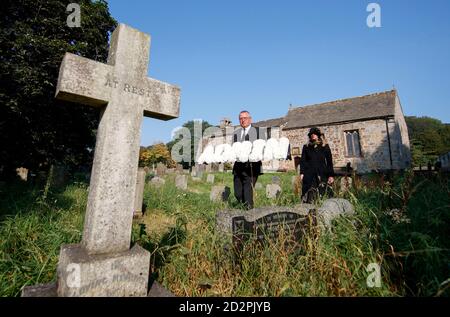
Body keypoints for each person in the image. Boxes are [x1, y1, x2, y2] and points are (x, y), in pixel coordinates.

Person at [232, 110, 262, 209]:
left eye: (245, 118)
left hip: (251, 167)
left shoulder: (258, 131)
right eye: (240, 118)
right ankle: (243, 207)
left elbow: (262, 146)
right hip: (238, 167)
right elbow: (233, 148)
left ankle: (249, 216)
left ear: (250, 119)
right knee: (238, 193)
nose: (242, 120)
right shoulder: (236, 133)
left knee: (248, 192)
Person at [299, 127, 334, 203]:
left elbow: (329, 161)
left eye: (314, 133)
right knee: (309, 193)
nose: (313, 135)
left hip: (322, 173)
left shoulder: (324, 146)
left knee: (323, 192)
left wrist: (331, 175)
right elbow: (303, 161)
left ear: (318, 135)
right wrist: (302, 173)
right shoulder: (306, 147)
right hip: (309, 174)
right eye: (311, 134)